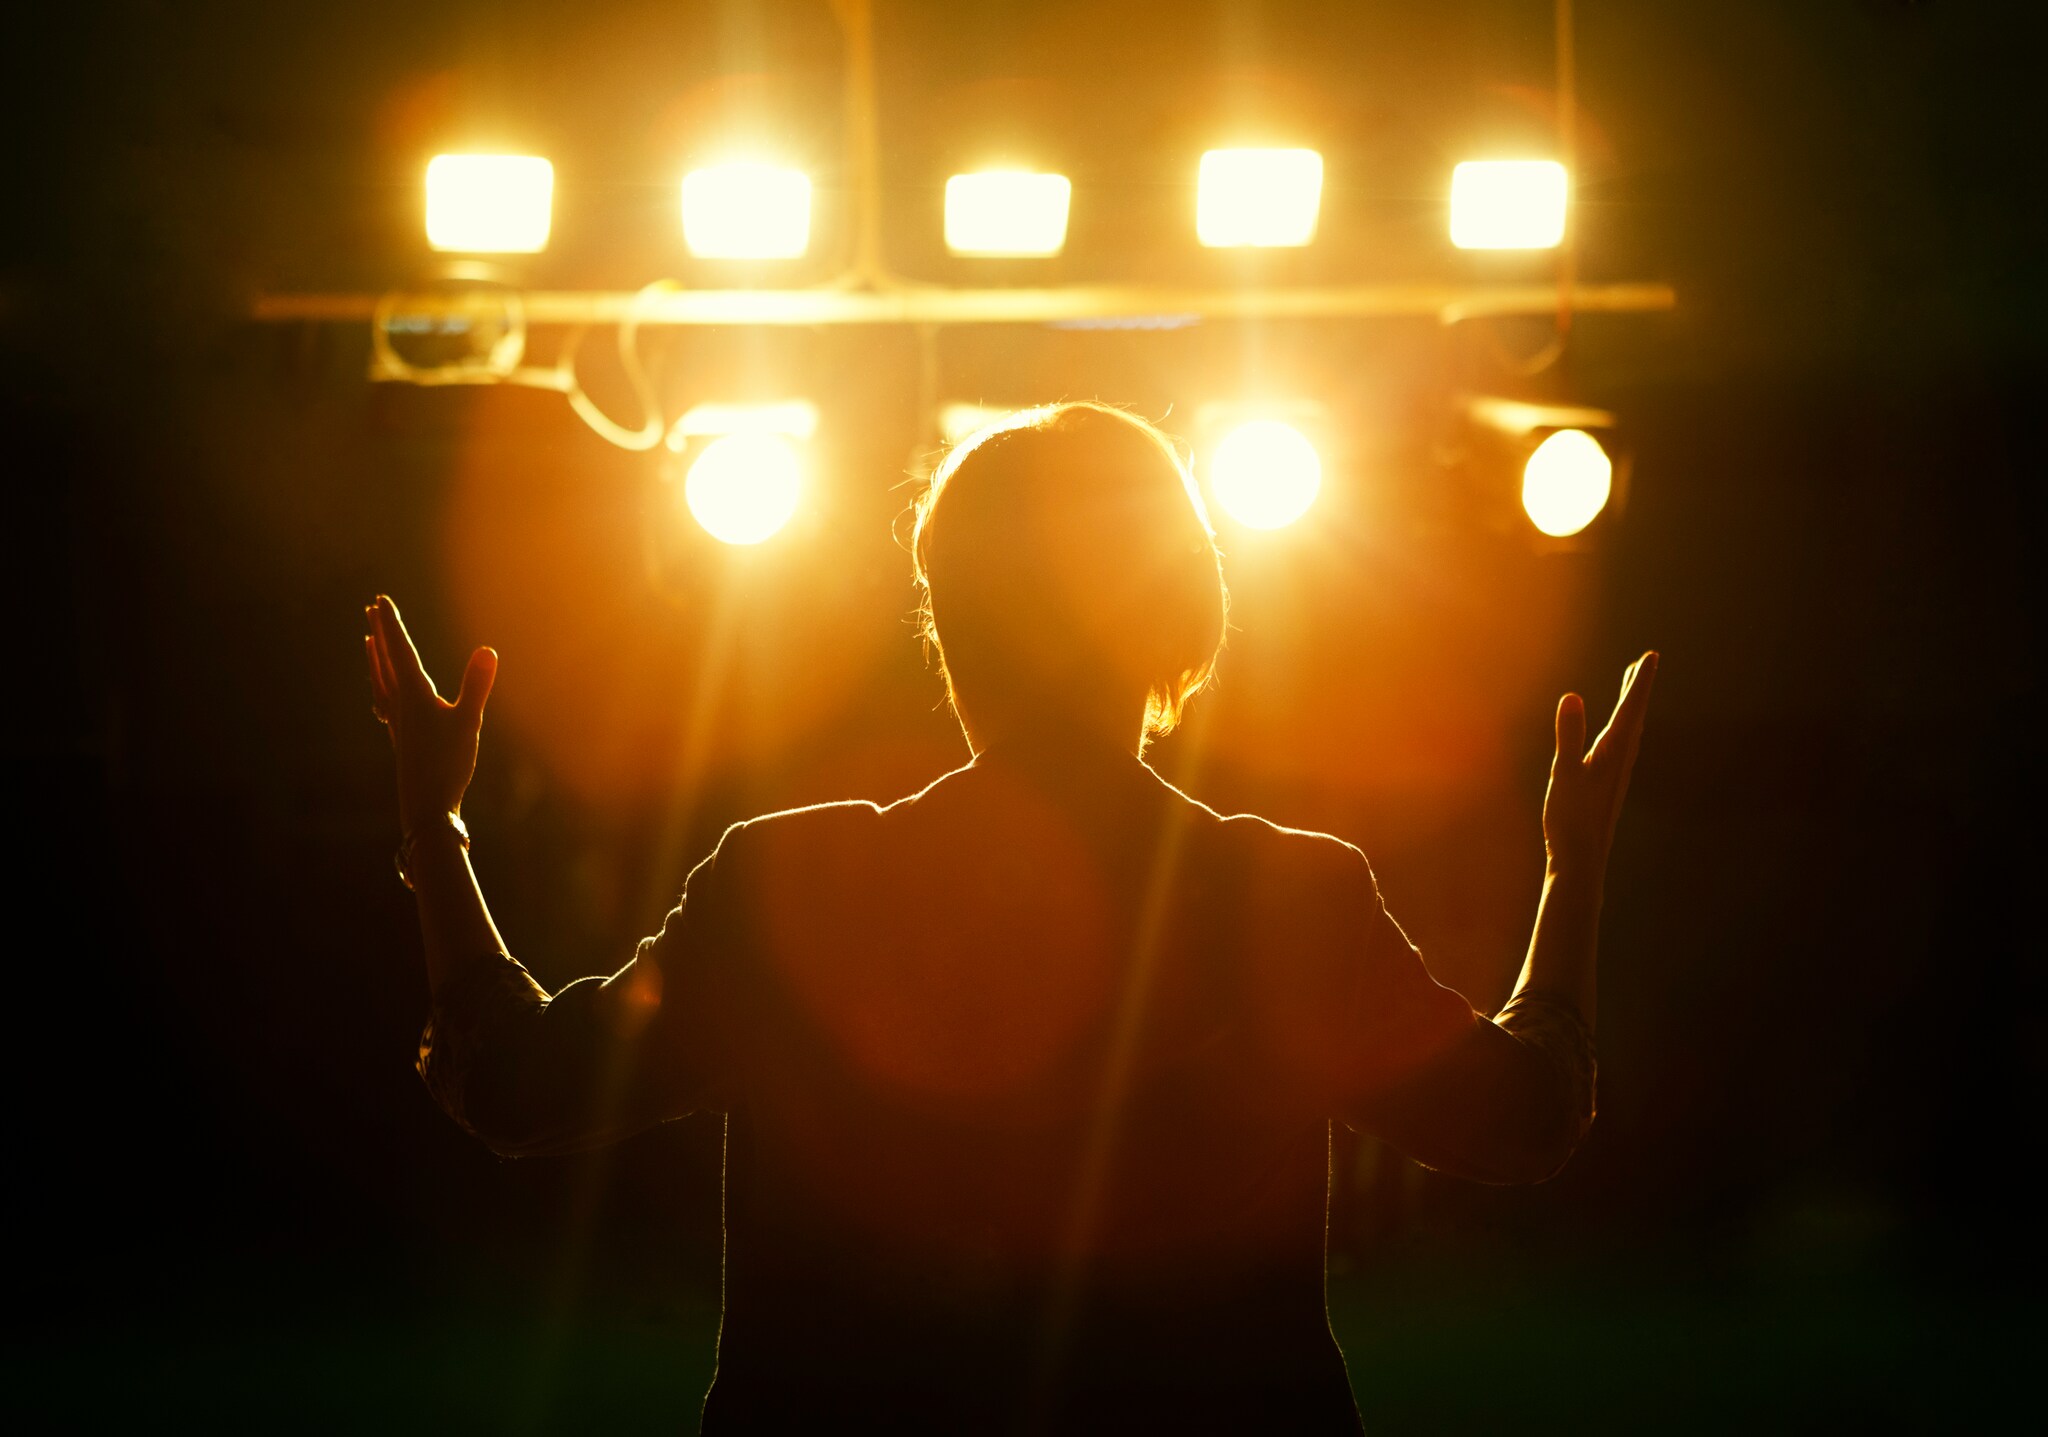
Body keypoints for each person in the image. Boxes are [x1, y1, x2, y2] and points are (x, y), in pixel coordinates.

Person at [364, 402, 1656, 1433]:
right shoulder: (1283, 893)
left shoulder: (796, 880)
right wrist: (1575, 868)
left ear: (947, 628)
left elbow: (520, 1084)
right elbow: (1525, 1118)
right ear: (1183, 624)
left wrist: (436, 824)